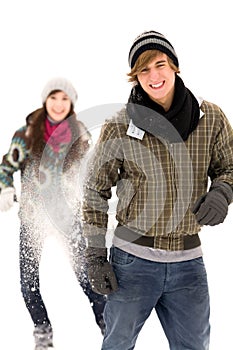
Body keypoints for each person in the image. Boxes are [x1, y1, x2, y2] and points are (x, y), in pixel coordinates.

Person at [82, 31, 233, 350]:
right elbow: (95, 190)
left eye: (160, 64)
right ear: (135, 77)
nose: (154, 75)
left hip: (188, 263)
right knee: (117, 345)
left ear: (175, 66)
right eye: (143, 70)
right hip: (131, 262)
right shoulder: (120, 124)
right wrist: (95, 254)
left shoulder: (212, 118)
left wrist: (222, 193)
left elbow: (229, 167)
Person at [0, 77, 106, 350]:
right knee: (28, 283)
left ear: (71, 104)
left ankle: (108, 325)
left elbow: (92, 173)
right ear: (45, 100)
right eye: (53, 98)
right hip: (32, 218)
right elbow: (6, 169)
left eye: (64, 99)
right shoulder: (25, 134)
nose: (58, 104)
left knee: (88, 278)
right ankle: (42, 331)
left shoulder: (80, 134)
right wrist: (5, 188)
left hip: (67, 217)